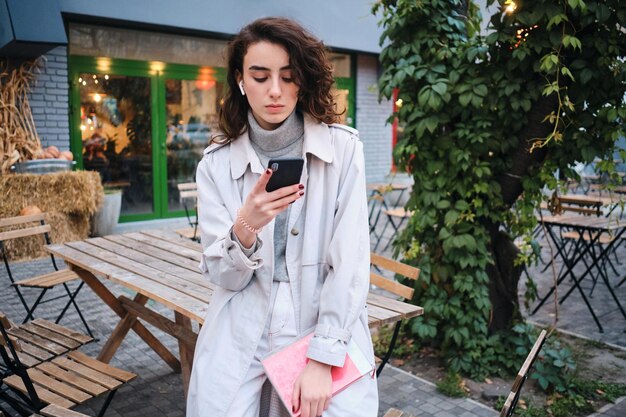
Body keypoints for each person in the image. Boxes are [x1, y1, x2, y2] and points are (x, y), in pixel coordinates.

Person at [187, 17, 377, 417]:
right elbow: (225, 277)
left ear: (303, 80)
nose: (275, 91)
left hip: (319, 317)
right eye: (259, 76)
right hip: (241, 322)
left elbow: (350, 263)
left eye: (288, 77)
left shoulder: (343, 150)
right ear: (240, 80)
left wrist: (323, 358)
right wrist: (246, 227)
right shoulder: (215, 166)